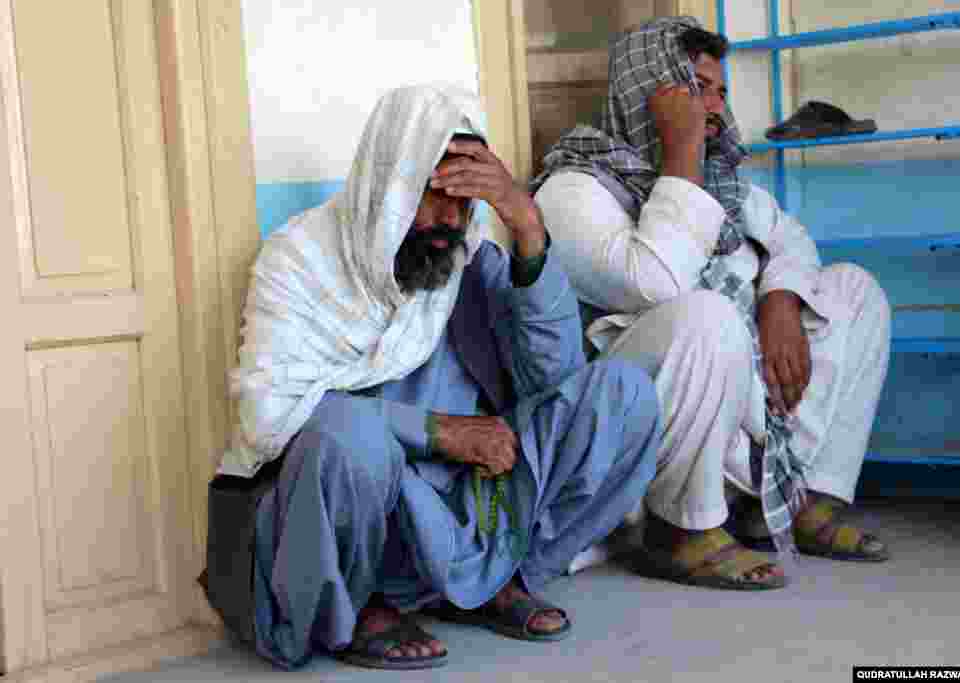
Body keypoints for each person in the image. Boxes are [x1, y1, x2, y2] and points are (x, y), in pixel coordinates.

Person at [199, 84, 661, 671]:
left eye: (465, 202)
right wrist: (438, 432)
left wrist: (527, 230)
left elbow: (558, 377)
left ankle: (488, 577)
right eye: (433, 195)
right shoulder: (300, 261)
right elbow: (269, 414)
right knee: (346, 436)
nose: (450, 220)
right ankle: (360, 602)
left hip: (472, 497)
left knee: (622, 396)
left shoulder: (468, 258)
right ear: (388, 185)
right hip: (372, 509)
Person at [531, 18, 892, 591]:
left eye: (719, 91)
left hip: (746, 393)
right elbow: (657, 284)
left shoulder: (726, 184)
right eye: (695, 89)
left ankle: (807, 499)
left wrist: (779, 299)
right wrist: (682, 152)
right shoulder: (574, 190)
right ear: (645, 91)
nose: (715, 108)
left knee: (853, 288)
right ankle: (682, 528)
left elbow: (791, 240)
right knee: (704, 314)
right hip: (656, 416)